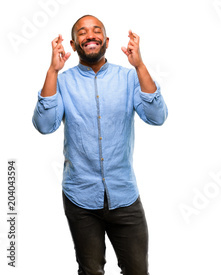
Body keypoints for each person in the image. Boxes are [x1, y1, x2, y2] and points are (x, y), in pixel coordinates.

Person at [31, 14, 167, 275]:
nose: (89, 35)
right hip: (80, 197)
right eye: (82, 32)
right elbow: (44, 125)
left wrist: (139, 66)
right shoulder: (61, 82)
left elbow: (157, 116)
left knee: (138, 270)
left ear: (106, 40)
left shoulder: (128, 78)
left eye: (96, 30)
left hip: (124, 195)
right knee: (90, 271)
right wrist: (52, 71)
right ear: (73, 44)